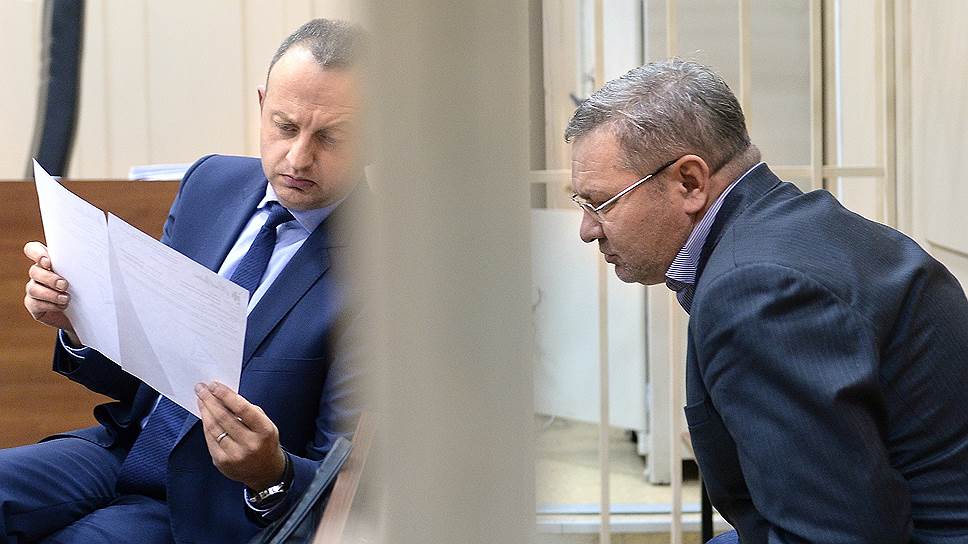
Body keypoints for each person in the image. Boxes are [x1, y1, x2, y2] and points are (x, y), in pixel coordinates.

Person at [566, 59, 968, 543]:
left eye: (601, 203)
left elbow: (835, 536)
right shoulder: (795, 225)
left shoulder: (756, 291)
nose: (587, 230)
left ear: (690, 182)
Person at [3, 18, 368, 543]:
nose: (298, 157)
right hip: (119, 449)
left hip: (213, 504)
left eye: (331, 137)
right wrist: (78, 322)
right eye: (285, 126)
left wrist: (271, 472)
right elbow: (143, 369)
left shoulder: (384, 273)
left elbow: (344, 488)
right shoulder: (211, 182)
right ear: (262, 104)